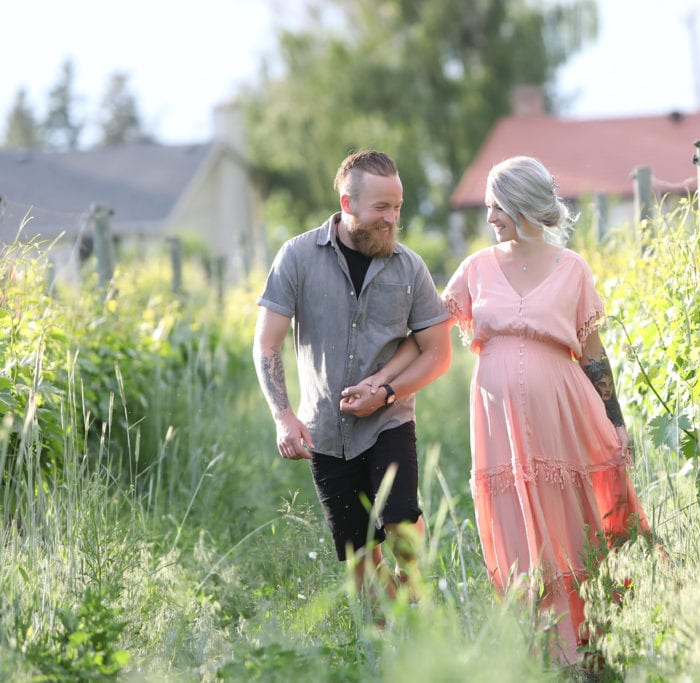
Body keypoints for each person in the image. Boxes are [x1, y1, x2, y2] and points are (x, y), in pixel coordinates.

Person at [351, 156, 649, 666]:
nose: (489, 218)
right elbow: (426, 336)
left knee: (571, 527)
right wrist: (380, 381)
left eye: (495, 207)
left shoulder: (572, 269)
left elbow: (593, 353)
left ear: (521, 204)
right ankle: (537, 652)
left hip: (564, 415)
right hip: (497, 427)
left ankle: (590, 648)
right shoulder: (476, 269)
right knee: (515, 531)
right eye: (488, 207)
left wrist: (615, 420)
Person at [253, 150, 451, 601]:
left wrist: (384, 393)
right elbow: (267, 344)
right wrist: (283, 415)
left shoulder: (410, 267)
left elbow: (437, 354)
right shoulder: (298, 257)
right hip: (325, 429)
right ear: (348, 204)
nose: (392, 218)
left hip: (390, 419)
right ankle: (383, 636)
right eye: (382, 207)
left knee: (400, 521)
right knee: (360, 555)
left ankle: (420, 604)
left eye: (397, 207)